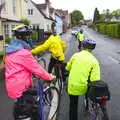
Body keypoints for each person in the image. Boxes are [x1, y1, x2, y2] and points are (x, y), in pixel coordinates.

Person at [5, 24, 55, 119]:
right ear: (26, 37)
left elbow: (15, 67)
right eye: (28, 36)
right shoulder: (24, 53)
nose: (29, 39)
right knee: (35, 105)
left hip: (11, 87)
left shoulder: (9, 51)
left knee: (21, 106)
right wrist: (50, 77)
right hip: (22, 87)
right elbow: (37, 69)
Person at [66, 38, 100, 120]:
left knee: (73, 105)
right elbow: (95, 79)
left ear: (82, 47)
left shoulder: (75, 55)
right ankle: (90, 107)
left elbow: (68, 67)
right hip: (85, 87)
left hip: (73, 86)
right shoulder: (94, 61)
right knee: (89, 86)